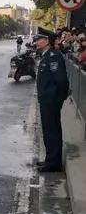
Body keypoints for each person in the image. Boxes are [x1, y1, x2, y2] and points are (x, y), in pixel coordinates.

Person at [34, 29, 69, 173]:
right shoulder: (46, 55)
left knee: (52, 131)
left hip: (51, 100)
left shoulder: (53, 56)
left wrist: (58, 98)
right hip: (47, 99)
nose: (36, 42)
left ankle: (53, 163)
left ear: (47, 41)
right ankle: (50, 160)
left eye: (39, 39)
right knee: (48, 131)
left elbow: (61, 80)